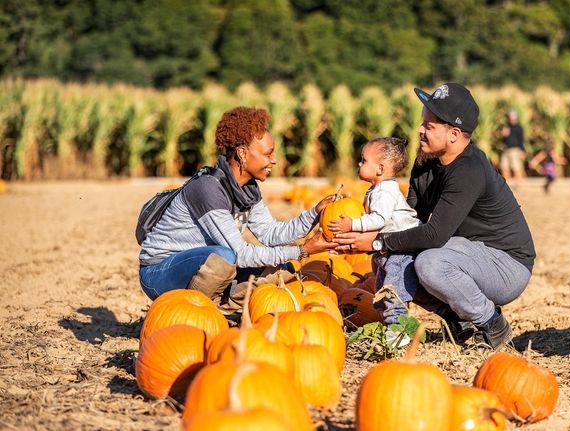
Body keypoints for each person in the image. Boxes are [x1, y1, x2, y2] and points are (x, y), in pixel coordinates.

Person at [334, 83, 536, 350]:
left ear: (453, 134)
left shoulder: (469, 169)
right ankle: (457, 321)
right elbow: (409, 221)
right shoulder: (425, 163)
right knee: (391, 260)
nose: (420, 130)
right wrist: (371, 235)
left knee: (429, 262)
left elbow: (434, 234)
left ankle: (493, 325)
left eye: (429, 126)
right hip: (466, 254)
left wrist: (376, 241)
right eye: (422, 123)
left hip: (506, 265)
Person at [138, 107, 338, 309]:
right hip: (159, 271)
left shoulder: (248, 189)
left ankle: (226, 306)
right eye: (268, 154)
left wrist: (314, 214)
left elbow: (271, 234)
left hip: (207, 266)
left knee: (282, 270)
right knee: (223, 257)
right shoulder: (208, 189)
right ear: (242, 153)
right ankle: (197, 311)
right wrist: (302, 251)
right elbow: (239, 253)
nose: (274, 160)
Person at [328, 137, 421, 326]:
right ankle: (385, 319)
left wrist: (352, 224)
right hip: (389, 246)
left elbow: (380, 219)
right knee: (380, 286)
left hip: (401, 249)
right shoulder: (377, 189)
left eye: (363, 161)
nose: (359, 163)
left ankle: (398, 326)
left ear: (380, 169)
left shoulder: (385, 192)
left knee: (393, 288)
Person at [498, 109, 526, 186]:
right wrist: (503, 134)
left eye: (513, 116)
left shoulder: (519, 127)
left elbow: (522, 140)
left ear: (516, 117)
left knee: (516, 167)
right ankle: (507, 185)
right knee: (504, 167)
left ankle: (518, 184)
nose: (511, 118)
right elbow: (504, 139)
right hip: (506, 149)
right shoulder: (507, 126)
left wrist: (522, 150)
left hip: (515, 150)